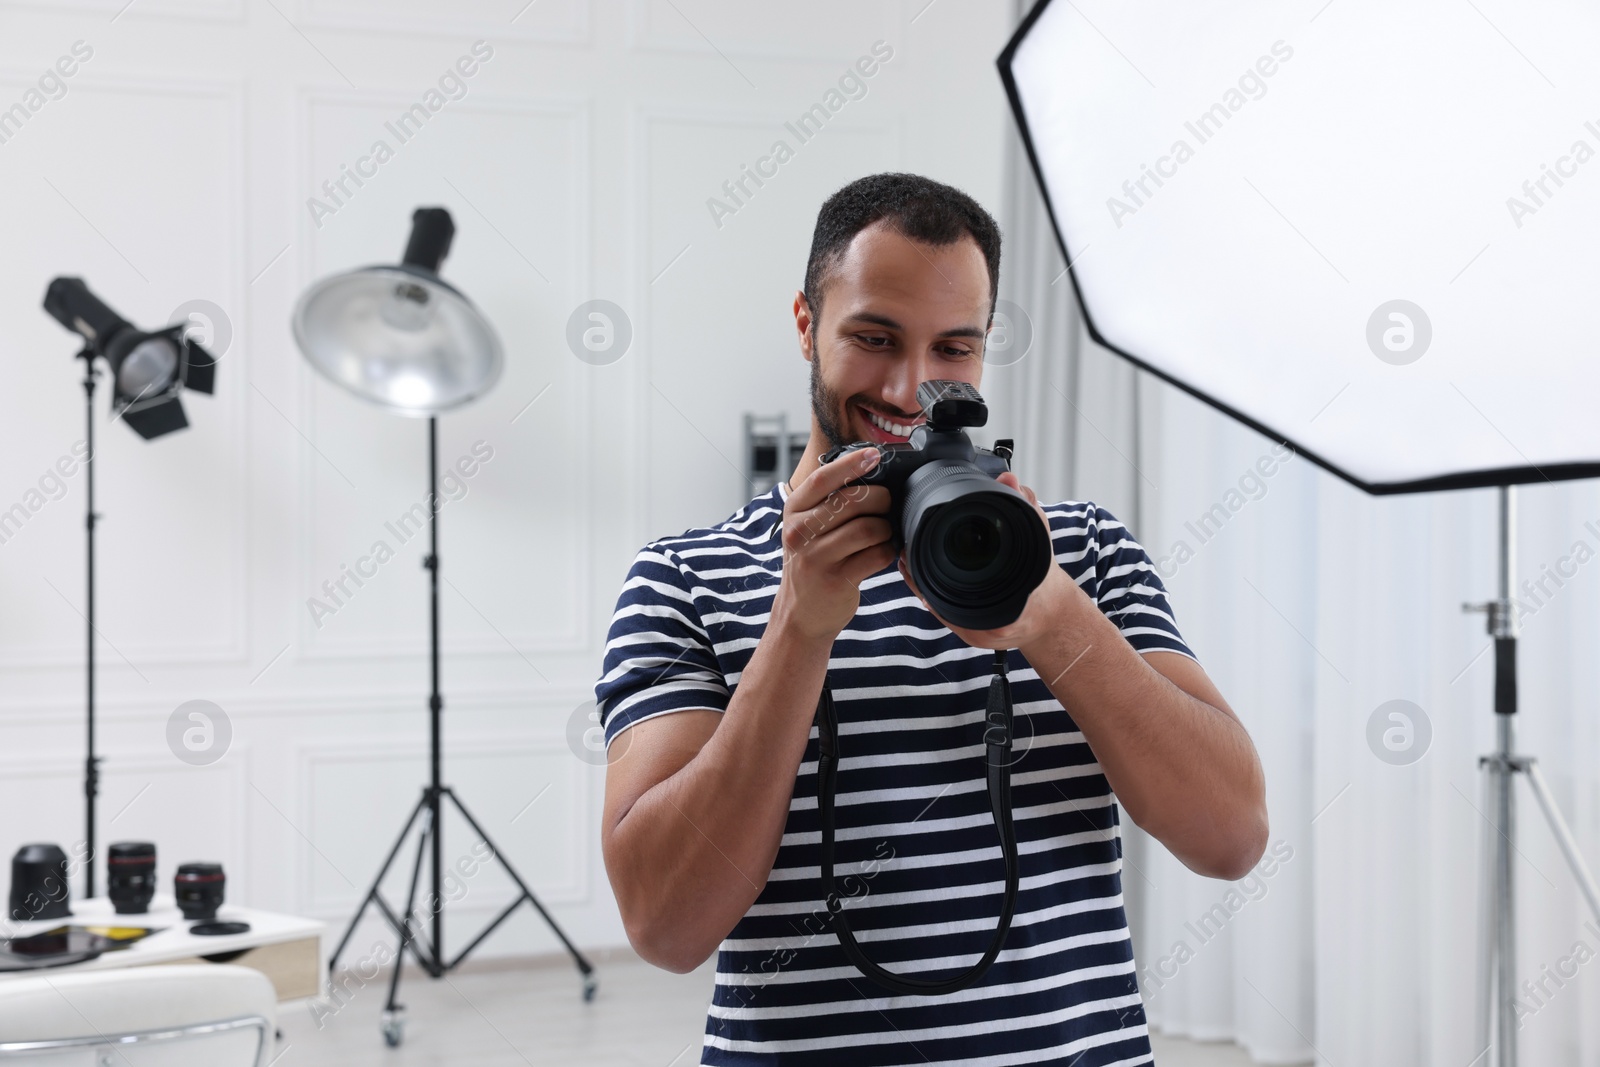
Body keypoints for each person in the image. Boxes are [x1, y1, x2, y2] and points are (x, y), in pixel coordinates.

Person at [593, 172, 1268, 1066]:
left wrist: (1057, 621)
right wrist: (799, 629)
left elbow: (1230, 838)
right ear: (806, 323)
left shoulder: (1079, 553)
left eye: (954, 348)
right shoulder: (686, 577)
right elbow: (665, 923)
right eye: (874, 337)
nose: (913, 388)